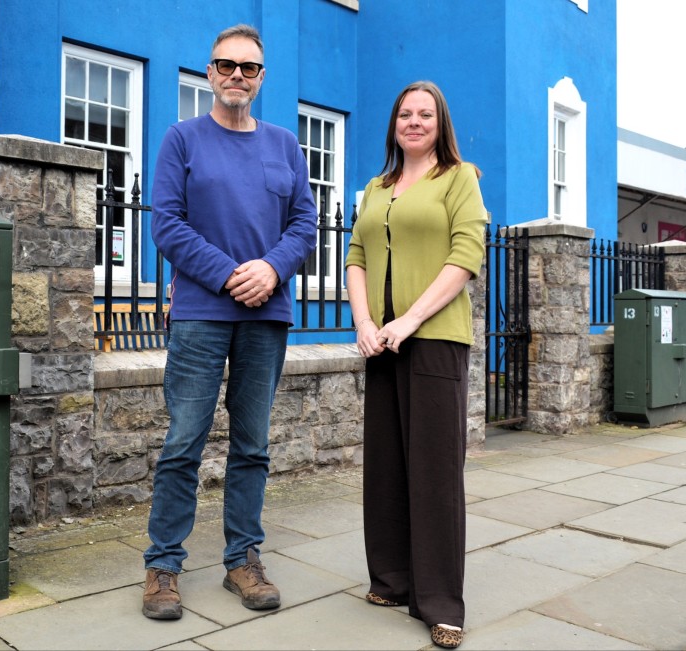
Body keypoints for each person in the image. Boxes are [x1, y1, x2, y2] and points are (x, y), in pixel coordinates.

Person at [142, 24, 317, 620]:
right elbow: (166, 223)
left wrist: (271, 269)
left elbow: (305, 224)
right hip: (200, 315)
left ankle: (243, 560)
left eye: (248, 67)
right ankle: (163, 565)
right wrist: (228, 275)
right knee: (183, 443)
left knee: (252, 445)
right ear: (209, 72)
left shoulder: (285, 145)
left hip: (267, 315)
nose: (236, 75)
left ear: (261, 78)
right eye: (226, 65)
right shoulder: (182, 139)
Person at [345, 81, 487, 649]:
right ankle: (391, 579)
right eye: (405, 113)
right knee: (386, 465)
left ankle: (441, 603)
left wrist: (409, 319)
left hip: (433, 339)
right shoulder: (377, 188)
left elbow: (466, 256)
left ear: (440, 123)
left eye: (425, 114)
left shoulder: (458, 178)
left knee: (434, 471)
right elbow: (356, 256)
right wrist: (364, 323)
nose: (414, 121)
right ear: (394, 124)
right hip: (381, 343)